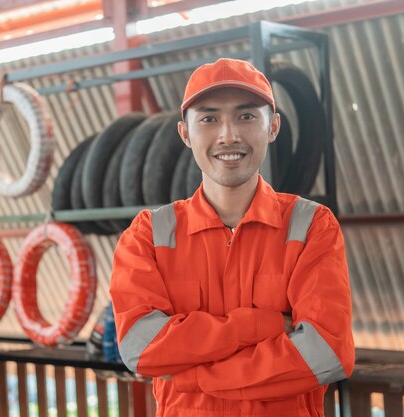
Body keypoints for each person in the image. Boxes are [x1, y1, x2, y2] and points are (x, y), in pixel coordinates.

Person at [109, 58, 355, 417]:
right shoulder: (148, 235)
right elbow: (140, 348)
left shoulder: (312, 226)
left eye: (246, 116)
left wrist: (195, 377)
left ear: (273, 127)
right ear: (184, 133)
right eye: (209, 118)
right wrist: (258, 326)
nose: (229, 135)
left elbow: (327, 354)